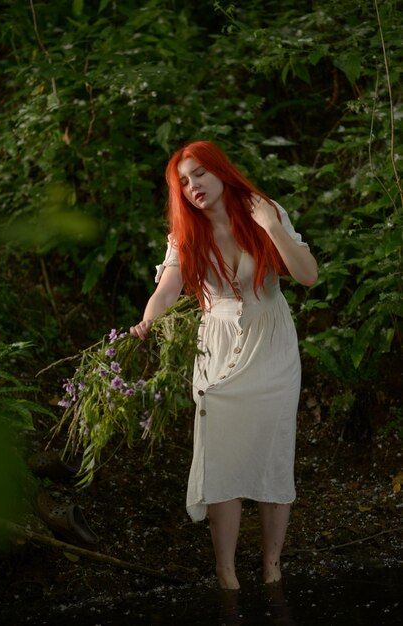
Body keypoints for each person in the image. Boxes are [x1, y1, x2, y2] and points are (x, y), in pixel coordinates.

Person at [130, 140, 318, 590]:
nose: (193, 186)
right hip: (217, 342)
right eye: (184, 182)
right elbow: (169, 288)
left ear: (220, 171)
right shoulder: (186, 231)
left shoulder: (263, 211)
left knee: (274, 450)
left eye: (199, 174)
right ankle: (226, 572)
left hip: (270, 339)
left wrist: (271, 226)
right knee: (222, 455)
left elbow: (307, 275)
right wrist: (147, 319)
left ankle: (272, 565)